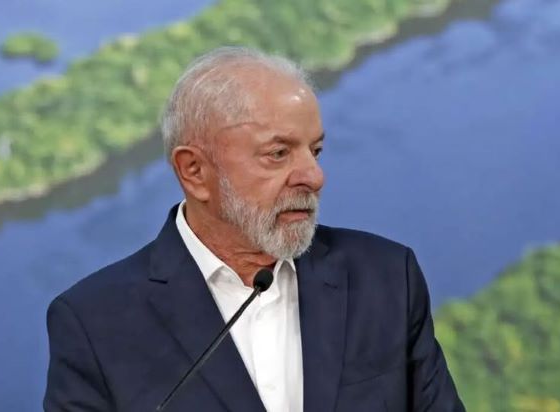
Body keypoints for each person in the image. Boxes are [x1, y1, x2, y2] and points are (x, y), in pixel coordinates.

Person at [44, 46, 464, 412]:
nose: (314, 176)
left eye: (316, 150)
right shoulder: (95, 323)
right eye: (278, 153)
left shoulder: (386, 278)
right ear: (194, 172)